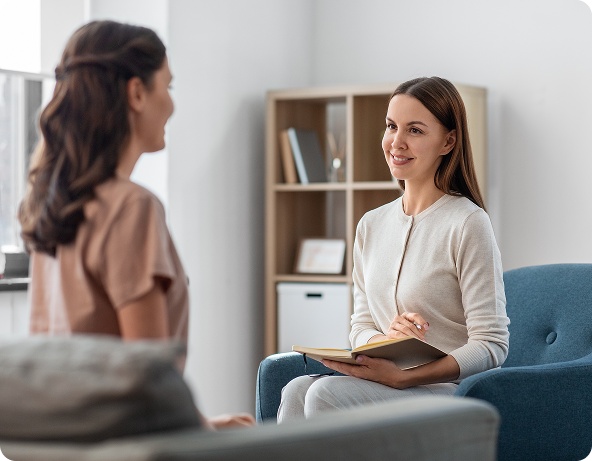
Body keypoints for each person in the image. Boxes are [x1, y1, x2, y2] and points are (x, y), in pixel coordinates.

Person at [18, 20, 254, 430]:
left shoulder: (50, 203)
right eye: (168, 87)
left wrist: (206, 424)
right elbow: (148, 379)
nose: (172, 105)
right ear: (137, 93)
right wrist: (207, 436)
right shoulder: (132, 208)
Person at [278, 77, 510, 422]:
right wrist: (386, 340)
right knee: (295, 390)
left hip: (449, 391)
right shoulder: (370, 224)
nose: (396, 143)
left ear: (448, 141)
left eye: (414, 130)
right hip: (391, 384)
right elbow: (361, 324)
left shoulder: (467, 222)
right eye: (391, 126)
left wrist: (407, 376)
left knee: (325, 394)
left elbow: (492, 344)